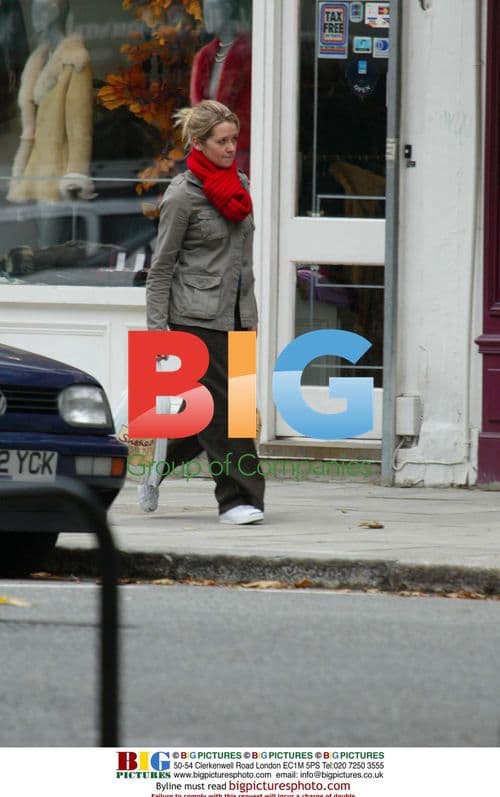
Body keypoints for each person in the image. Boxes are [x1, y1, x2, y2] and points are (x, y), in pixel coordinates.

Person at [145, 99, 265, 525]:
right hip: (195, 317)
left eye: (234, 139)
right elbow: (160, 271)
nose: (231, 147)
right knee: (221, 413)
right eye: (222, 141)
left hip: (239, 314)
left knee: (229, 411)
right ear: (198, 143)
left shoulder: (241, 186)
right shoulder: (181, 196)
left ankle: (156, 465)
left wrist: (248, 311)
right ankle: (237, 500)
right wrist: (157, 335)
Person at [7, 0, 94, 203]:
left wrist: (76, 176)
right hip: (34, 171)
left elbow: (79, 129)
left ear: (54, 12)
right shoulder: (39, 59)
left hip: (57, 173)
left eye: (40, 9)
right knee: (37, 236)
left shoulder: (75, 60)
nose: (34, 15)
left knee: (52, 235)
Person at [191, 0, 251, 174]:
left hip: (240, 150)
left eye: (214, 9)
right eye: (205, 10)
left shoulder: (247, 53)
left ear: (229, 11)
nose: (208, 16)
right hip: (210, 151)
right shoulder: (205, 56)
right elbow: (198, 106)